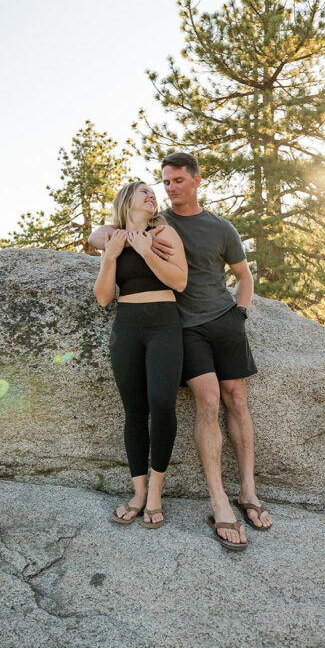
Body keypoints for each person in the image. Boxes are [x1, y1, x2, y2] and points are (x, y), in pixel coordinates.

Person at [90, 153, 273, 550]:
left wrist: (240, 313)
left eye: (175, 181)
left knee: (236, 399)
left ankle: (248, 492)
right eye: (162, 184)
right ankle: (216, 500)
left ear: (195, 180)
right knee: (204, 402)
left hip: (220, 321)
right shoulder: (158, 223)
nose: (168, 189)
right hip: (180, 329)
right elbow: (102, 235)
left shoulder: (216, 227)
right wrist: (113, 244)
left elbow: (239, 276)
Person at [93, 180, 188, 529]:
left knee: (162, 404)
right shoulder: (112, 239)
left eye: (154, 192)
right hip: (128, 328)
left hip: (164, 325)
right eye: (142, 191)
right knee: (134, 410)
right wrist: (111, 257)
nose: (152, 195)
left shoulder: (164, 234)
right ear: (126, 201)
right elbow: (104, 298)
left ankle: (156, 492)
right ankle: (138, 491)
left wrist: (147, 251)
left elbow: (180, 282)